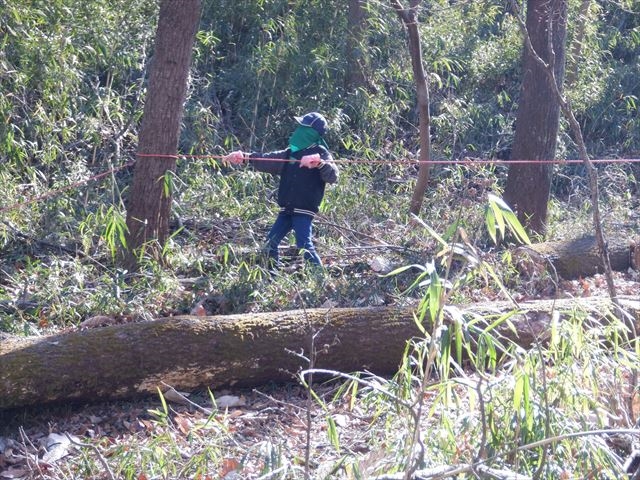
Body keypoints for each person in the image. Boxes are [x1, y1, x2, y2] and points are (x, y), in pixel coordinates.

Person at [225, 112, 339, 267]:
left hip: (303, 210)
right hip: (287, 208)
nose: (298, 132)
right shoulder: (289, 153)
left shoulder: (321, 153)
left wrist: (319, 163)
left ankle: (320, 279)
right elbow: (267, 159)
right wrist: (244, 157)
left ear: (312, 133)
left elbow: (332, 176)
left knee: (304, 246)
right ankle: (272, 277)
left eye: (303, 129)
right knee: (269, 244)